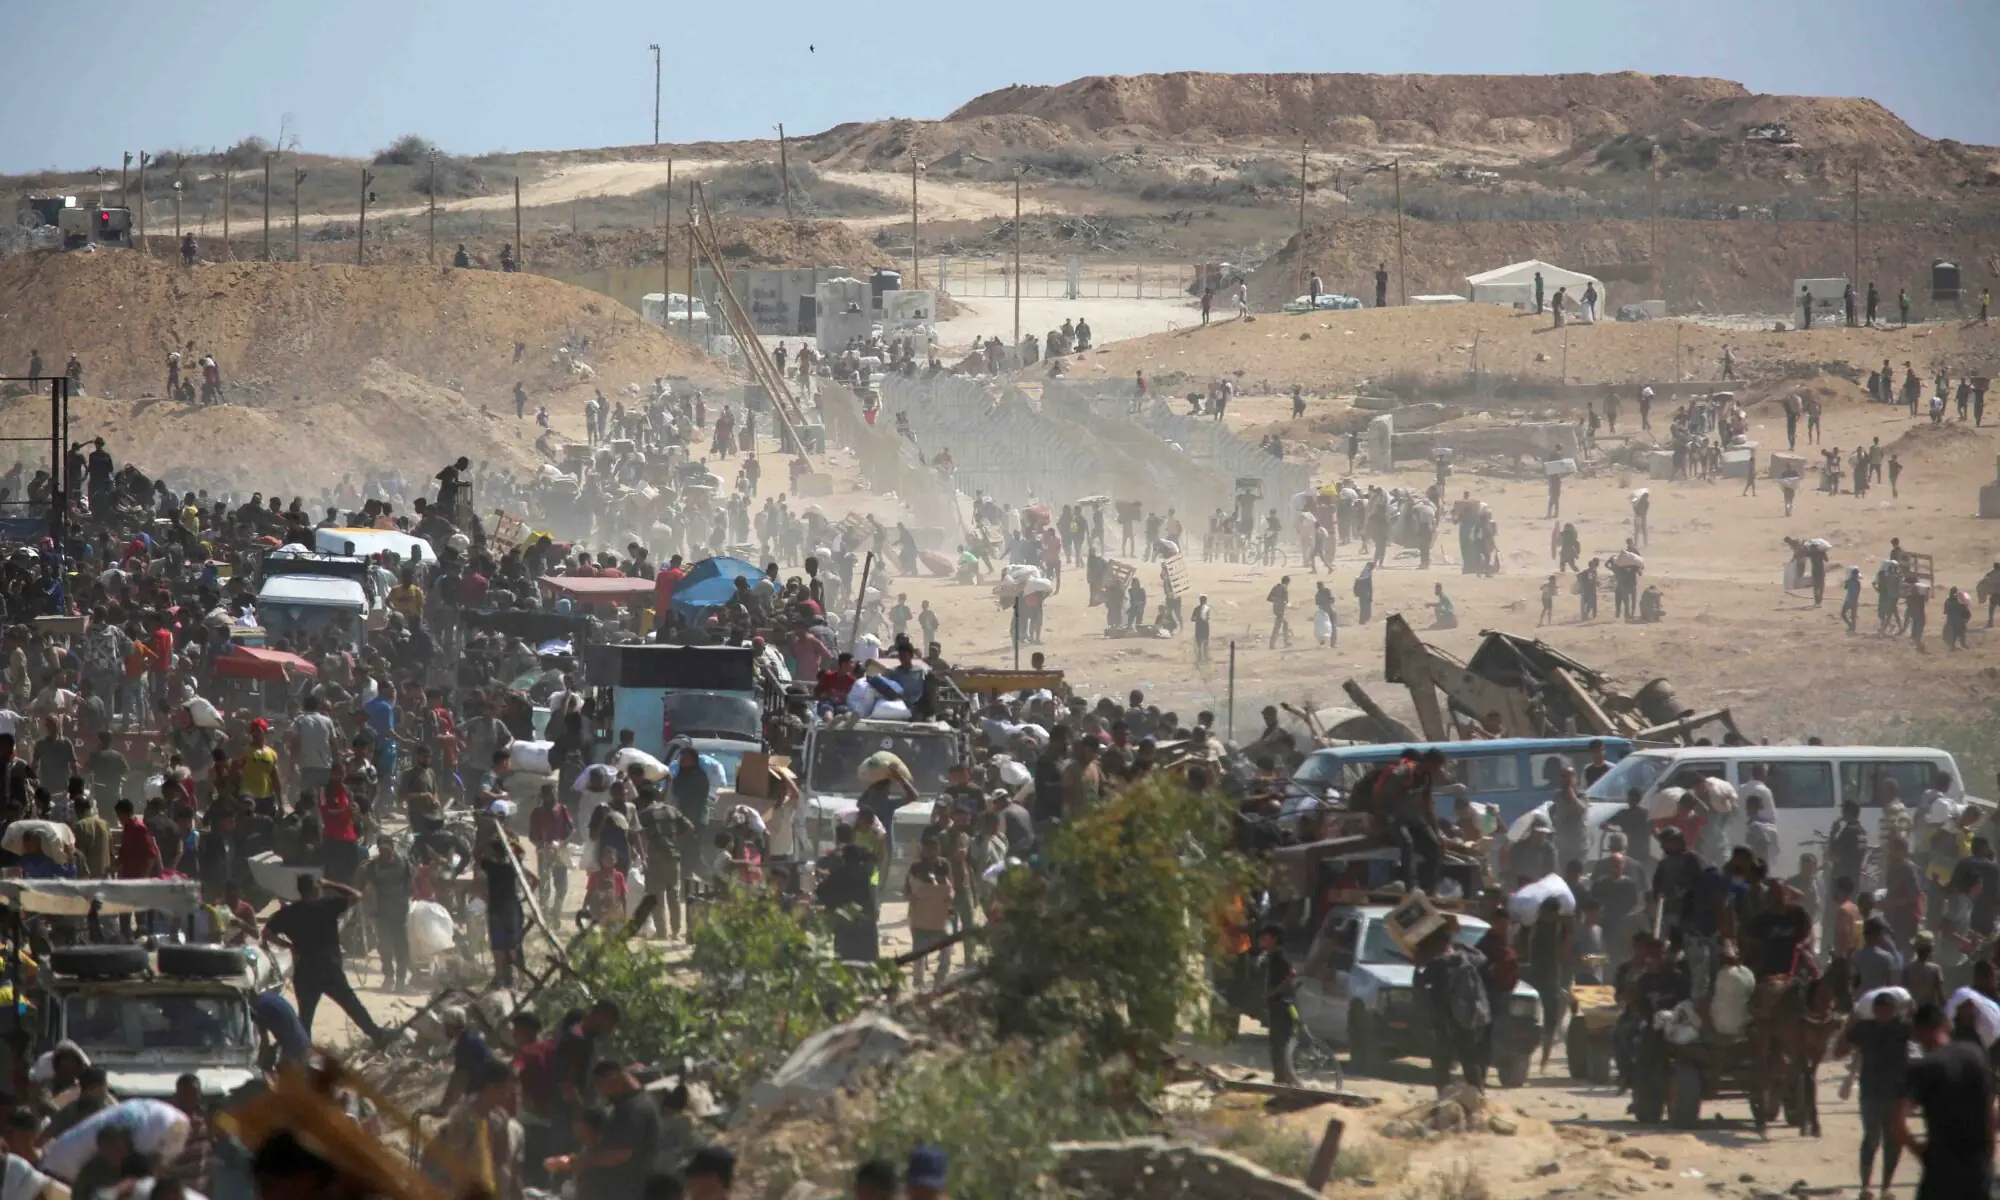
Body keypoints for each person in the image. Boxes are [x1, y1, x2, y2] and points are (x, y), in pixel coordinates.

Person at [262, 874, 387, 1042]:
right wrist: (331, 883)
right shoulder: (327, 906)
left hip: (304, 970)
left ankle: (301, 1053)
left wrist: (289, 946)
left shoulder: (289, 912)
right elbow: (357, 895)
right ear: (315, 889)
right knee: (352, 1006)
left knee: (305, 1017)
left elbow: (267, 933)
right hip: (329, 969)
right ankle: (377, 1036)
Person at [1893, 1001, 1994, 1199]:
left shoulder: (1921, 1068)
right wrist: (1989, 1152)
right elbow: (1989, 1106)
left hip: (1941, 1168)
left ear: (1916, 1034)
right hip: (1978, 1166)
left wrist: (1920, 1151)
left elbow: (1897, 1122)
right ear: (1947, 1025)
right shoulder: (1975, 1055)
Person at [1414, 922, 1489, 1090]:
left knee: (1442, 1063)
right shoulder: (1467, 958)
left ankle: (1443, 1098)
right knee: (1469, 1061)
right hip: (1467, 1018)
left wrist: (1418, 966)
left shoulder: (1438, 963)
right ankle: (1478, 1097)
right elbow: (1483, 958)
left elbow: (1420, 986)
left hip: (1445, 1020)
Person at [1257, 923, 1300, 1085]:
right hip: (1275, 1006)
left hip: (1283, 1005)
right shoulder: (1269, 957)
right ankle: (1281, 1079)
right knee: (1276, 1045)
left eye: (1265, 936)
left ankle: (1285, 1080)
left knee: (1281, 1045)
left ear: (1274, 939)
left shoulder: (1281, 957)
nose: (1262, 939)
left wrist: (1273, 993)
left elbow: (1291, 976)